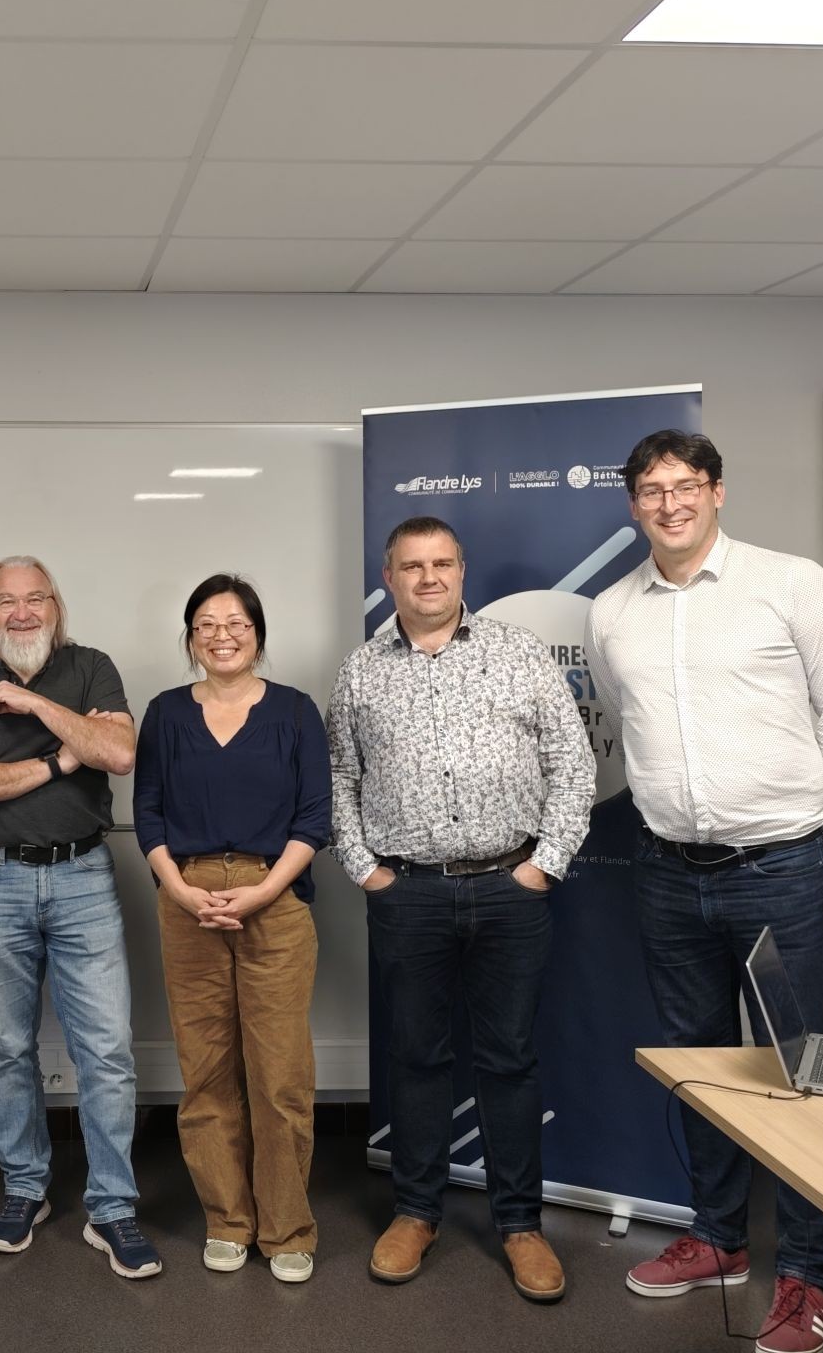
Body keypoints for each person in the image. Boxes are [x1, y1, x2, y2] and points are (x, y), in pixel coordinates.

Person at [586, 430, 823, 1353]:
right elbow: (625, 718)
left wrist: (793, 822)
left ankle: (808, 1274)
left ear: (717, 491)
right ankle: (719, 1239)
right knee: (703, 1065)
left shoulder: (792, 584)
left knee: (799, 1070)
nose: (669, 504)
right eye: (651, 490)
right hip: (668, 874)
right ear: (633, 504)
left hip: (779, 872)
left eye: (686, 486)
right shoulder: (611, 613)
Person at [329, 515, 593, 1301]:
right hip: (407, 894)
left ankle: (520, 1225)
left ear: (461, 570)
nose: (429, 578)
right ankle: (416, 1213)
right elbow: (341, 776)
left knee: (508, 1060)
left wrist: (545, 865)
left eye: (441, 563)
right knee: (417, 1058)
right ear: (389, 577)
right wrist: (366, 870)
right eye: (412, 566)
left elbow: (571, 761)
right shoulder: (360, 671)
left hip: (510, 889)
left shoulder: (519, 653)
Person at [0, 555, 160, 1280]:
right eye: (5, 601)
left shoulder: (91, 668)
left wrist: (33, 706)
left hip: (82, 876)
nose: (21, 612)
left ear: (56, 606)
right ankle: (25, 1189)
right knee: (8, 1048)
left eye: (35, 599)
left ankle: (112, 1206)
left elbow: (118, 751)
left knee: (107, 1051)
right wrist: (59, 762)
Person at [133, 574, 330, 1284]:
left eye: (236, 623)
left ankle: (287, 1229)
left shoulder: (296, 712)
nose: (222, 635)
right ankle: (227, 1221)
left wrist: (262, 892)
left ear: (257, 633)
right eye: (206, 625)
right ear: (191, 638)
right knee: (207, 1071)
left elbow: (315, 818)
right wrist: (181, 889)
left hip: (274, 898)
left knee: (279, 1075)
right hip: (185, 900)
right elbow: (147, 813)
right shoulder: (165, 713)